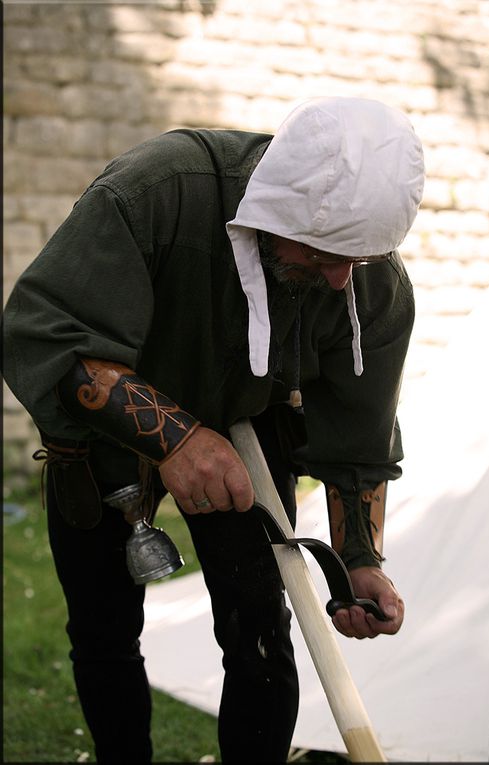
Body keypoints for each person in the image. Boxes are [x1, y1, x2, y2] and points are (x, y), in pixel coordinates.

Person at [2, 96, 425, 763]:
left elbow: (357, 439)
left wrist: (359, 560)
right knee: (104, 630)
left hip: (247, 445)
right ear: (279, 205)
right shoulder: (157, 192)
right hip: (105, 438)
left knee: (262, 631)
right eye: (323, 249)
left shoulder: (365, 281)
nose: (341, 275)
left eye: (361, 256)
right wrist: (176, 436)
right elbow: (45, 336)